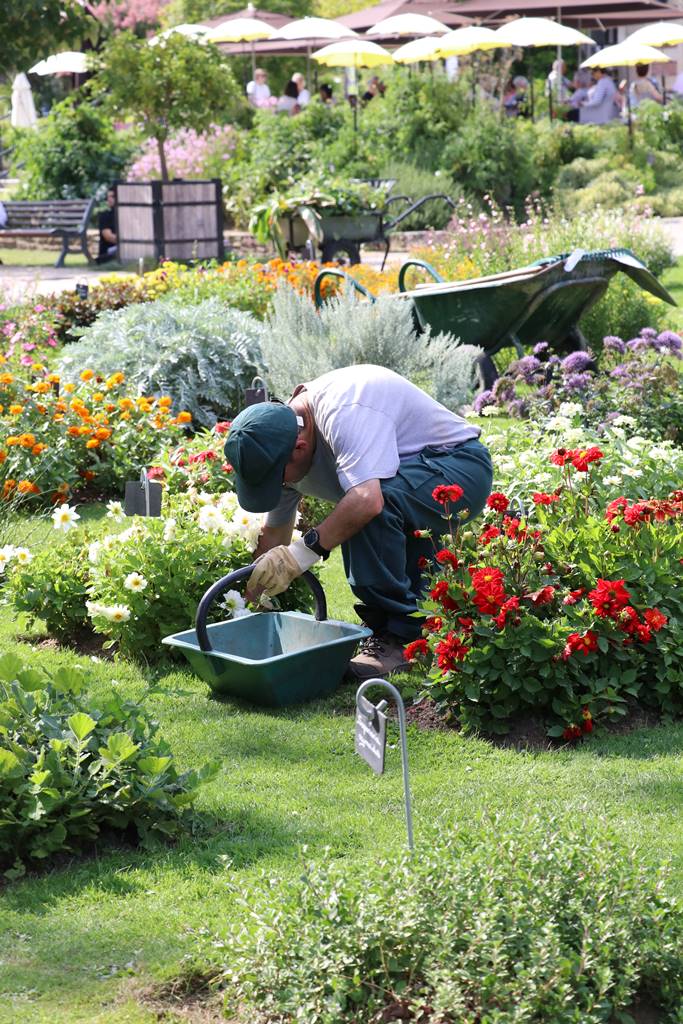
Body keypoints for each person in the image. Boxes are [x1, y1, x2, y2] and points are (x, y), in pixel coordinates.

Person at [225, 366, 493, 681]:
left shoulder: (345, 411)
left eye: (276, 479)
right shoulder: (276, 440)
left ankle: (399, 639)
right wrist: (247, 596)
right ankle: (410, 633)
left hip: (458, 467)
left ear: (299, 448)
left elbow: (368, 500)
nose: (278, 487)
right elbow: (275, 534)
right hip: (406, 479)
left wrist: (303, 552)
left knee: (365, 509)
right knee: (374, 513)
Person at [97, 186, 117, 264]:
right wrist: (126, 242)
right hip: (109, 252)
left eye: (112, 196)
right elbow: (108, 237)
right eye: (108, 197)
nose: (109, 199)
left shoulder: (126, 214)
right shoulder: (105, 216)